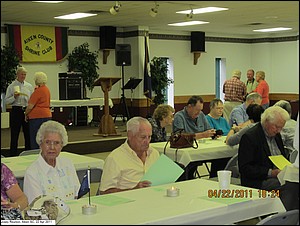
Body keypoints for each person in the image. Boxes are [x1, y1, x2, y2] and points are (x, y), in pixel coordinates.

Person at [238, 106, 292, 208]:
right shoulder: (250, 137)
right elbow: (245, 168)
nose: (279, 130)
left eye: (281, 127)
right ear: (266, 121)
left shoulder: (276, 135)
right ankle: (283, 216)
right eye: (276, 127)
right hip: (258, 180)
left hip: (278, 176)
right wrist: (271, 172)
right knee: (290, 187)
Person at [23, 120, 80, 204]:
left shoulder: (67, 164)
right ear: (40, 143)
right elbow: (36, 207)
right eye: (47, 142)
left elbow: (78, 195)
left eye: (56, 143)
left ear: (62, 145)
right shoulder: (32, 173)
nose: (52, 147)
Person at [99, 117, 160, 194]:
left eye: (149, 137)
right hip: (127, 202)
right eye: (143, 137)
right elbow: (104, 192)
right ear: (130, 135)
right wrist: (134, 190)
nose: (147, 141)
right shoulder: (115, 158)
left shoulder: (154, 153)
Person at [172, 95, 217, 179]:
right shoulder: (179, 116)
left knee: (220, 159)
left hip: (201, 148)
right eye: (197, 110)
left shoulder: (201, 115)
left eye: (200, 110)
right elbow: (179, 137)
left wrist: (213, 133)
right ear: (189, 107)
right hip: (186, 150)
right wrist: (203, 135)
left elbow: (208, 129)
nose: (199, 112)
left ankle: (215, 179)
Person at [4, 66, 34, 156]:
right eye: (22, 74)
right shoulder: (11, 86)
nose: (23, 76)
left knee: (27, 133)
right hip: (16, 110)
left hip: (26, 110)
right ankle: (12, 154)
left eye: (25, 74)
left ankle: (28, 153)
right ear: (17, 74)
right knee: (15, 133)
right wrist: (14, 97)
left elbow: (32, 99)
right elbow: (6, 101)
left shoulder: (29, 86)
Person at [25, 71, 52, 150]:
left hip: (37, 117)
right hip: (47, 115)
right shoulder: (46, 90)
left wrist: (26, 113)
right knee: (44, 138)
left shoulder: (38, 91)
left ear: (37, 80)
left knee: (35, 139)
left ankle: (35, 155)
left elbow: (30, 106)